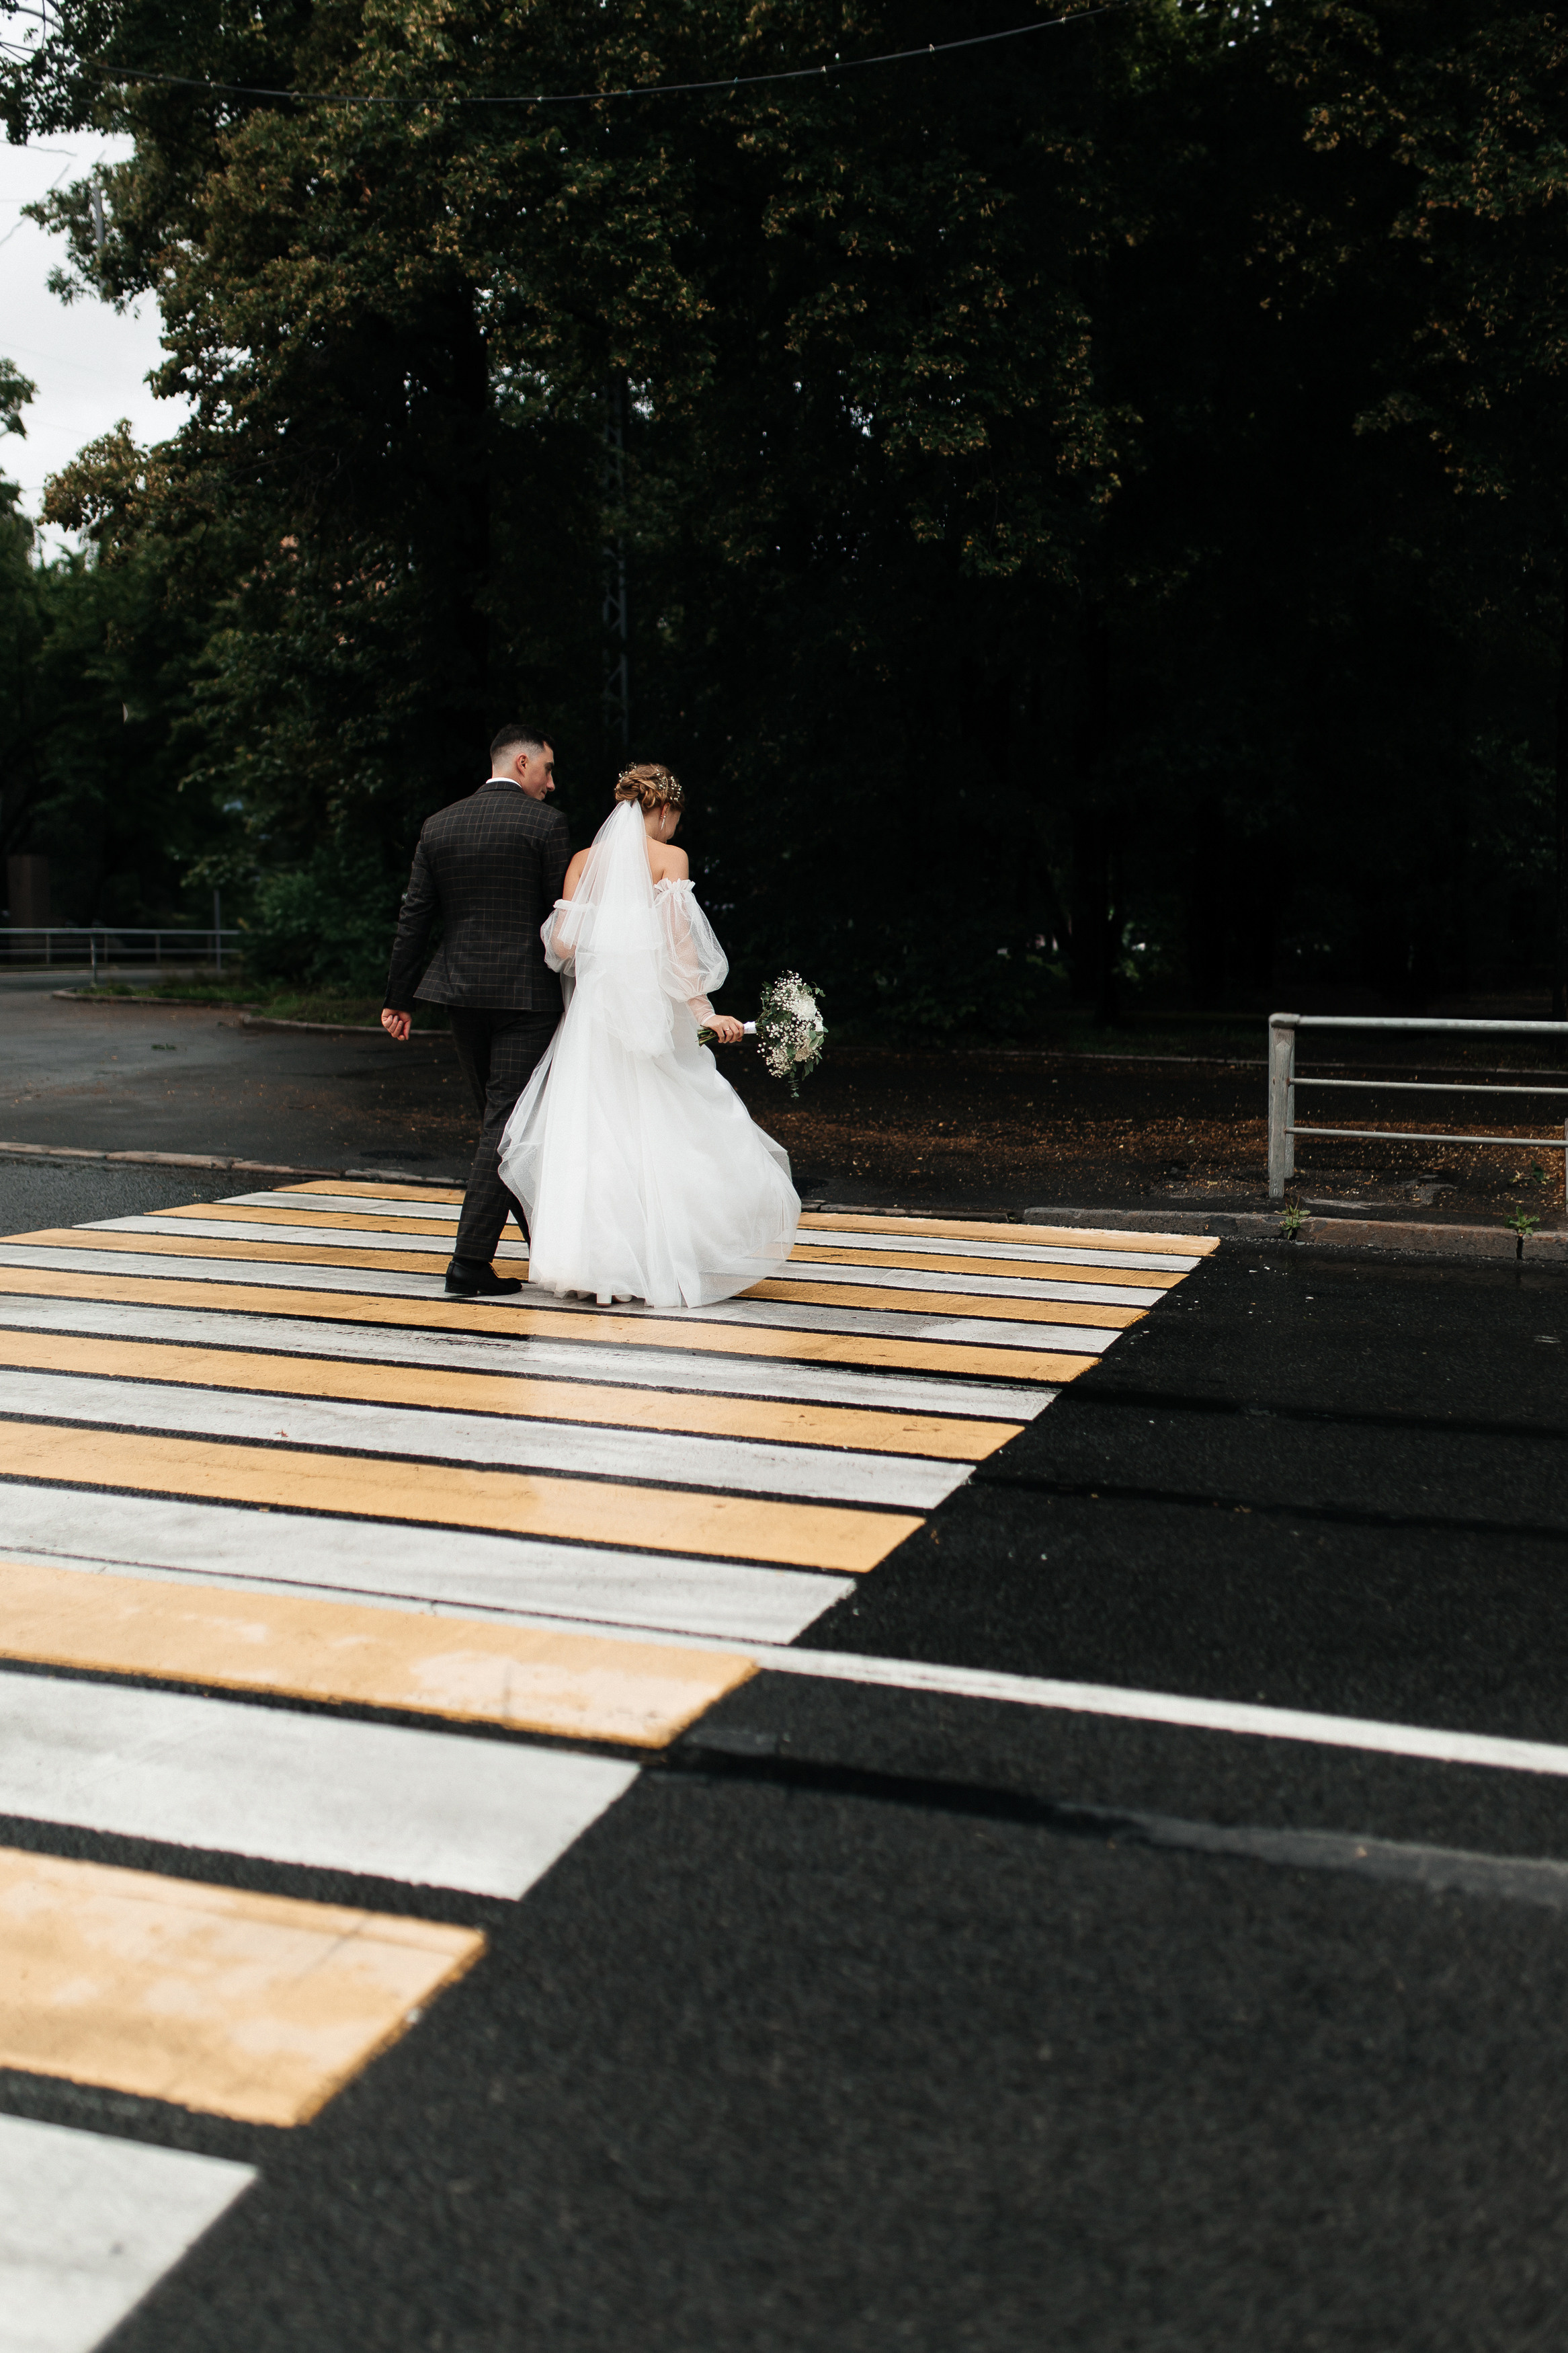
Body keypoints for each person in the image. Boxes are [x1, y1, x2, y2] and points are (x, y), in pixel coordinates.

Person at [497, 762, 799, 1306]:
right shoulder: (668, 858)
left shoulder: (585, 862)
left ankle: (594, 1266)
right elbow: (680, 946)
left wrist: (606, 940)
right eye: (675, 819)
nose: (675, 830)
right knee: (667, 1123)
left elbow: (563, 945)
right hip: (647, 1012)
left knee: (597, 1132)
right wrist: (705, 1012)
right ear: (663, 809)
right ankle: (665, 1256)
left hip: (593, 1016)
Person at [382, 723, 569, 1297]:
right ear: (519, 763)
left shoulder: (439, 825)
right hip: (525, 996)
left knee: (500, 1125)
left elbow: (415, 917)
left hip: (459, 994)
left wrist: (398, 998)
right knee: (506, 1127)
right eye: (546, 769)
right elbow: (562, 923)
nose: (551, 783)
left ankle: (550, 1248)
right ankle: (468, 1264)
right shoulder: (546, 826)